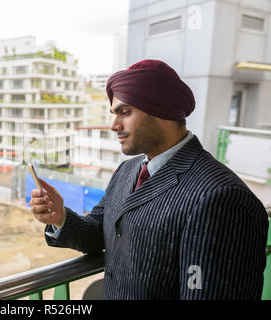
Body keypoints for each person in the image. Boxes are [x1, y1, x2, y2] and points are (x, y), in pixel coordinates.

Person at [29, 59, 269, 300]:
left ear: (161, 110)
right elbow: (100, 232)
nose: (114, 125)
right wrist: (60, 217)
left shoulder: (221, 197)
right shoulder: (127, 170)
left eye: (125, 112)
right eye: (114, 113)